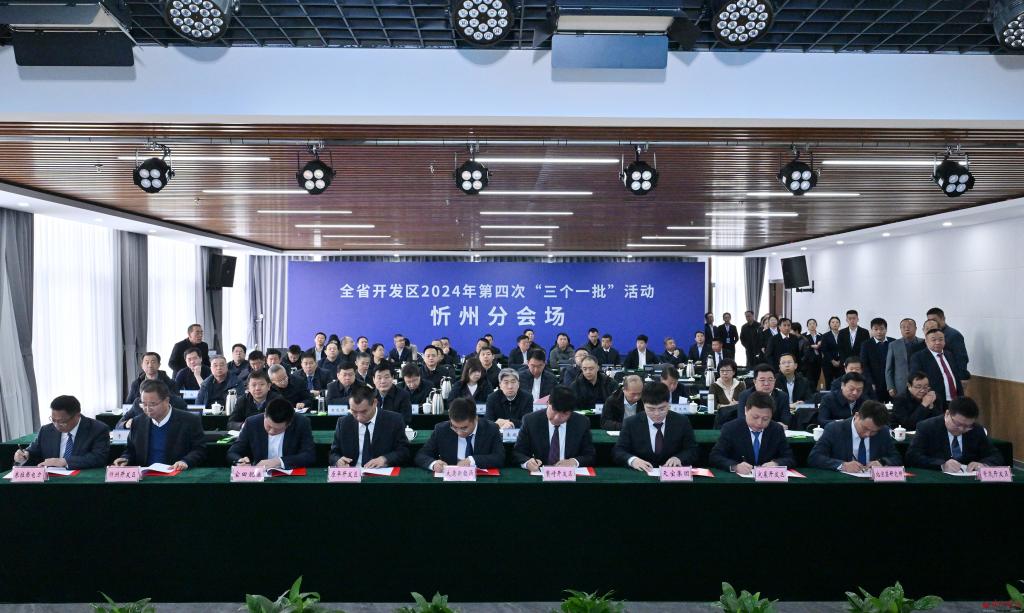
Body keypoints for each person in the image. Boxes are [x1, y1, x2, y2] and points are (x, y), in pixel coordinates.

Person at [113, 380, 206, 470]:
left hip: (177, 474)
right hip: (145, 475)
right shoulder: (137, 422)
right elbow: (131, 450)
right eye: (144, 404)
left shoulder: (189, 420)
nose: (148, 408)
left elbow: (199, 449)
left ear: (166, 401)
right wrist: (125, 458)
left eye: (152, 404)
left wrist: (185, 461)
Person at [613, 382, 698, 471]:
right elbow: (618, 450)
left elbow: (693, 450)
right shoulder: (631, 423)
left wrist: (679, 458)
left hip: (671, 473)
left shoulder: (681, 421)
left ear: (668, 404)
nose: (657, 414)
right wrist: (633, 460)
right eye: (651, 409)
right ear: (643, 404)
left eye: (662, 409)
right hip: (642, 473)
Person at [13, 395, 110, 469]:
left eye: (62, 422)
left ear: (77, 415)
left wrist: (65, 461)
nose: (56, 425)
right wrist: (24, 455)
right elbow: (33, 452)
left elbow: (99, 458)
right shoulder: (46, 430)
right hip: (51, 481)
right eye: (53, 420)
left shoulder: (98, 429)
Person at [905, 397, 1002, 471]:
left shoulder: (976, 430)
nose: (961, 429)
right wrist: (942, 465)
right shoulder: (927, 427)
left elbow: (996, 456)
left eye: (967, 426)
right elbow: (912, 456)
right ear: (947, 414)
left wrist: (983, 464)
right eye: (957, 424)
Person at [709, 391, 794, 474]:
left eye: (765, 419)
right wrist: (735, 466)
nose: (759, 423)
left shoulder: (777, 429)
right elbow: (715, 456)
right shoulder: (731, 428)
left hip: (767, 480)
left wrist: (776, 464)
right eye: (755, 417)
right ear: (746, 410)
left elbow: (789, 458)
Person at [514, 385, 595, 470]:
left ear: (571, 412)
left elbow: (590, 455)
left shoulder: (582, 422)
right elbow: (518, 452)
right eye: (554, 411)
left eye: (564, 414)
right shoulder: (530, 421)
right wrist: (527, 462)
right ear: (548, 403)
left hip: (569, 473)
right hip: (540, 472)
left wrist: (574, 462)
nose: (557, 418)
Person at [329, 384, 410, 468]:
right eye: (354, 411)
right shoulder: (343, 423)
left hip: (381, 471)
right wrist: (338, 460)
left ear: (374, 403)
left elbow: (404, 451)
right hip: (353, 471)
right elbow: (333, 453)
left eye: (364, 412)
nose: (359, 417)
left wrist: (385, 459)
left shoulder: (394, 420)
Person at [415, 397, 505, 472]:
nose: (459, 432)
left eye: (464, 428)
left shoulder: (491, 429)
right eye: (454, 427)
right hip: (451, 480)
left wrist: (473, 460)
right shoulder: (442, 429)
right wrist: (433, 464)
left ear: (475, 419)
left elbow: (499, 457)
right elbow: (421, 455)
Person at [808, 400, 902, 472]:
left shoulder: (883, 431)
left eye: (874, 432)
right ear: (857, 416)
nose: (868, 434)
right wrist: (843, 465)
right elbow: (814, 457)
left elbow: (896, 458)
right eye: (865, 428)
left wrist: (882, 462)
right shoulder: (834, 429)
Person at [227, 397, 315, 469]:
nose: (271, 431)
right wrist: (239, 461)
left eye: (277, 429)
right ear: (265, 415)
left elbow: (309, 455)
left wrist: (279, 461)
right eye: (269, 426)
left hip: (290, 474)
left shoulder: (301, 422)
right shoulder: (252, 422)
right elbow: (232, 452)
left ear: (289, 424)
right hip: (260, 474)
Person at [908, 328, 963, 412]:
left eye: (941, 339)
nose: (938, 342)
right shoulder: (918, 357)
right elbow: (917, 379)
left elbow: (955, 377)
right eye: (933, 340)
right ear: (926, 341)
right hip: (935, 401)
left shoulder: (949, 354)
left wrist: (961, 396)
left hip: (955, 400)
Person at [885, 318, 925, 400]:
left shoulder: (923, 343)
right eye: (903, 327)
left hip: (920, 384)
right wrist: (890, 386)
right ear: (900, 329)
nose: (907, 328)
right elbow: (889, 368)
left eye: (909, 326)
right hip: (900, 385)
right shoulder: (893, 344)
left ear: (915, 328)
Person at [925, 307, 969, 380]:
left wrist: (961, 378)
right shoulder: (929, 335)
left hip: (952, 377)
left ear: (943, 318)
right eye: (929, 320)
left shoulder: (954, 335)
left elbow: (961, 358)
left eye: (934, 320)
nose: (932, 322)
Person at [860, 317, 894, 402]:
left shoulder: (893, 342)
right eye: (876, 329)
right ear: (871, 330)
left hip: (891, 383)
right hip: (874, 383)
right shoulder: (866, 345)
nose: (879, 332)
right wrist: (870, 382)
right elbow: (864, 365)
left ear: (886, 329)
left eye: (882, 329)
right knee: (876, 406)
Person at [820, 315, 844, 389]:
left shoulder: (843, 334)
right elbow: (824, 350)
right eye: (833, 322)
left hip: (841, 362)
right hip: (828, 363)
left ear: (839, 324)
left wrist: (840, 360)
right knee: (829, 382)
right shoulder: (825, 336)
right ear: (829, 324)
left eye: (837, 322)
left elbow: (845, 349)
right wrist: (832, 361)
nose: (835, 324)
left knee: (841, 382)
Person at [800, 318, 823, 389]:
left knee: (816, 378)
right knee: (809, 379)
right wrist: (811, 346)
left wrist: (821, 345)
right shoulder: (803, 336)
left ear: (816, 325)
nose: (812, 325)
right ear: (807, 326)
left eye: (814, 323)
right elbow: (801, 348)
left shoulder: (821, 336)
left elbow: (824, 348)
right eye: (810, 324)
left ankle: (814, 393)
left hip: (818, 360)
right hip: (808, 361)